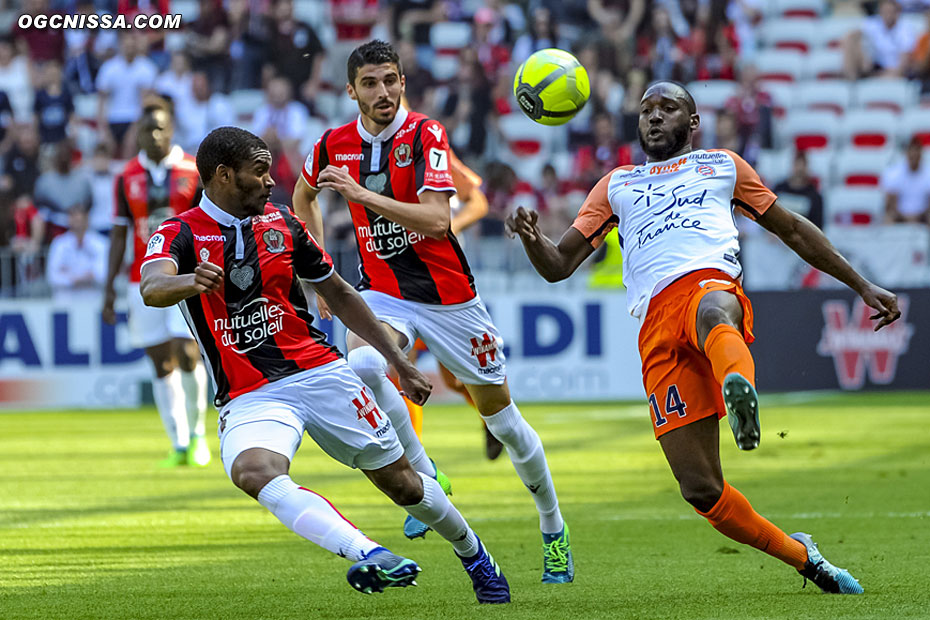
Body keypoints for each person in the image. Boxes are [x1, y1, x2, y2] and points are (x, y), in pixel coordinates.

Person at [506, 80, 902, 595]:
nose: (653, 116)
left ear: (692, 123)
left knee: (717, 312)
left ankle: (741, 392)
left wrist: (862, 284)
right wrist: (535, 239)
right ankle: (804, 557)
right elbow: (559, 266)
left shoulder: (723, 165)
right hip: (655, 326)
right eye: (646, 110)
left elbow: (793, 229)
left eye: (667, 108)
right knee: (701, 490)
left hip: (708, 284)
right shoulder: (615, 186)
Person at [138, 125, 510, 603]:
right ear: (224, 176)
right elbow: (152, 287)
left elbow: (339, 292)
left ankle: (474, 552)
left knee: (404, 486)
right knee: (253, 471)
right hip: (250, 392)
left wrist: (398, 359)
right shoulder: (179, 232)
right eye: (261, 172)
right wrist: (189, 280)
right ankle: (369, 553)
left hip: (320, 372)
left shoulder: (284, 224)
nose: (272, 182)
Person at [292, 40, 572, 583]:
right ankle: (427, 472)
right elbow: (304, 196)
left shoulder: (426, 135)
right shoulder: (333, 144)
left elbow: (438, 221)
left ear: (403, 82)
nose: (384, 92)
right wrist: (319, 268)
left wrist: (359, 196)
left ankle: (552, 526)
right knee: (365, 366)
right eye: (371, 83)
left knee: (505, 424)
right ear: (351, 91)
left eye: (391, 80)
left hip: (451, 300)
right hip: (384, 293)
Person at [103, 99, 211, 469]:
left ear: (171, 130)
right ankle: (179, 442)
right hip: (140, 281)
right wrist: (108, 290)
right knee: (160, 362)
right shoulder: (126, 175)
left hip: (183, 276)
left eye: (159, 128)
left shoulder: (193, 171)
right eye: (146, 129)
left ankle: (199, 436)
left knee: (187, 353)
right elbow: (119, 235)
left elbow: (207, 227)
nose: (152, 135)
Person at [45, 206, 108, 302]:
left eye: (80, 221)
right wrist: (77, 279)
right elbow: (52, 276)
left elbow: (104, 273)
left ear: (87, 220)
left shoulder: (101, 243)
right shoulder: (59, 244)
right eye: (74, 220)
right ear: (69, 221)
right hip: (65, 300)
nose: (77, 225)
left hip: (93, 299)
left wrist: (69, 274)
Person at [880, 136, 930, 224]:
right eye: (911, 152)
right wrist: (905, 217)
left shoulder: (928, 174)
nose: (914, 155)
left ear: (921, 154)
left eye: (916, 152)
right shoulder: (894, 174)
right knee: (888, 218)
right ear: (906, 153)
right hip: (899, 216)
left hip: (923, 216)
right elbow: (890, 204)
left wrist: (918, 216)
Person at [773, 151, 824, 230]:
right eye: (797, 165)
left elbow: (817, 227)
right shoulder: (779, 189)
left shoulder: (815, 196)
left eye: (803, 165)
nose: (799, 169)